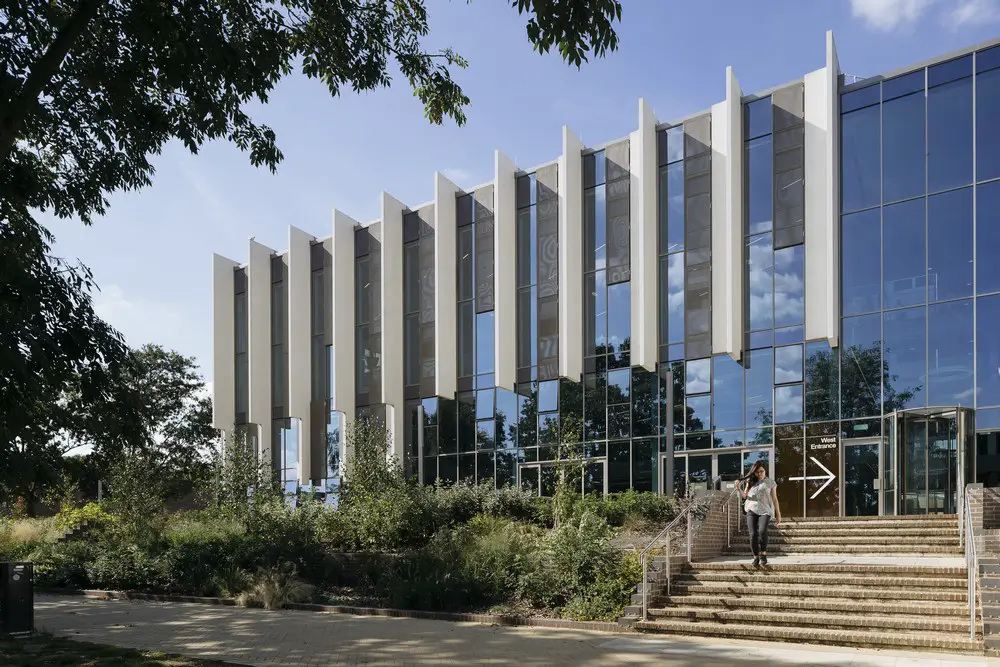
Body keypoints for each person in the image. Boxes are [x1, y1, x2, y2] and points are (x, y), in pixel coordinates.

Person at [739, 461, 781, 567]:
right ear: (754, 473)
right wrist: (739, 489)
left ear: (765, 471)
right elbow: (745, 496)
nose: (760, 473)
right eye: (757, 472)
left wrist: (778, 514)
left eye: (762, 471)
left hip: (765, 511)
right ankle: (755, 557)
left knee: (762, 531)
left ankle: (763, 553)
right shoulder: (751, 481)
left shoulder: (770, 482)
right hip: (751, 509)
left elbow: (775, 499)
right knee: (753, 534)